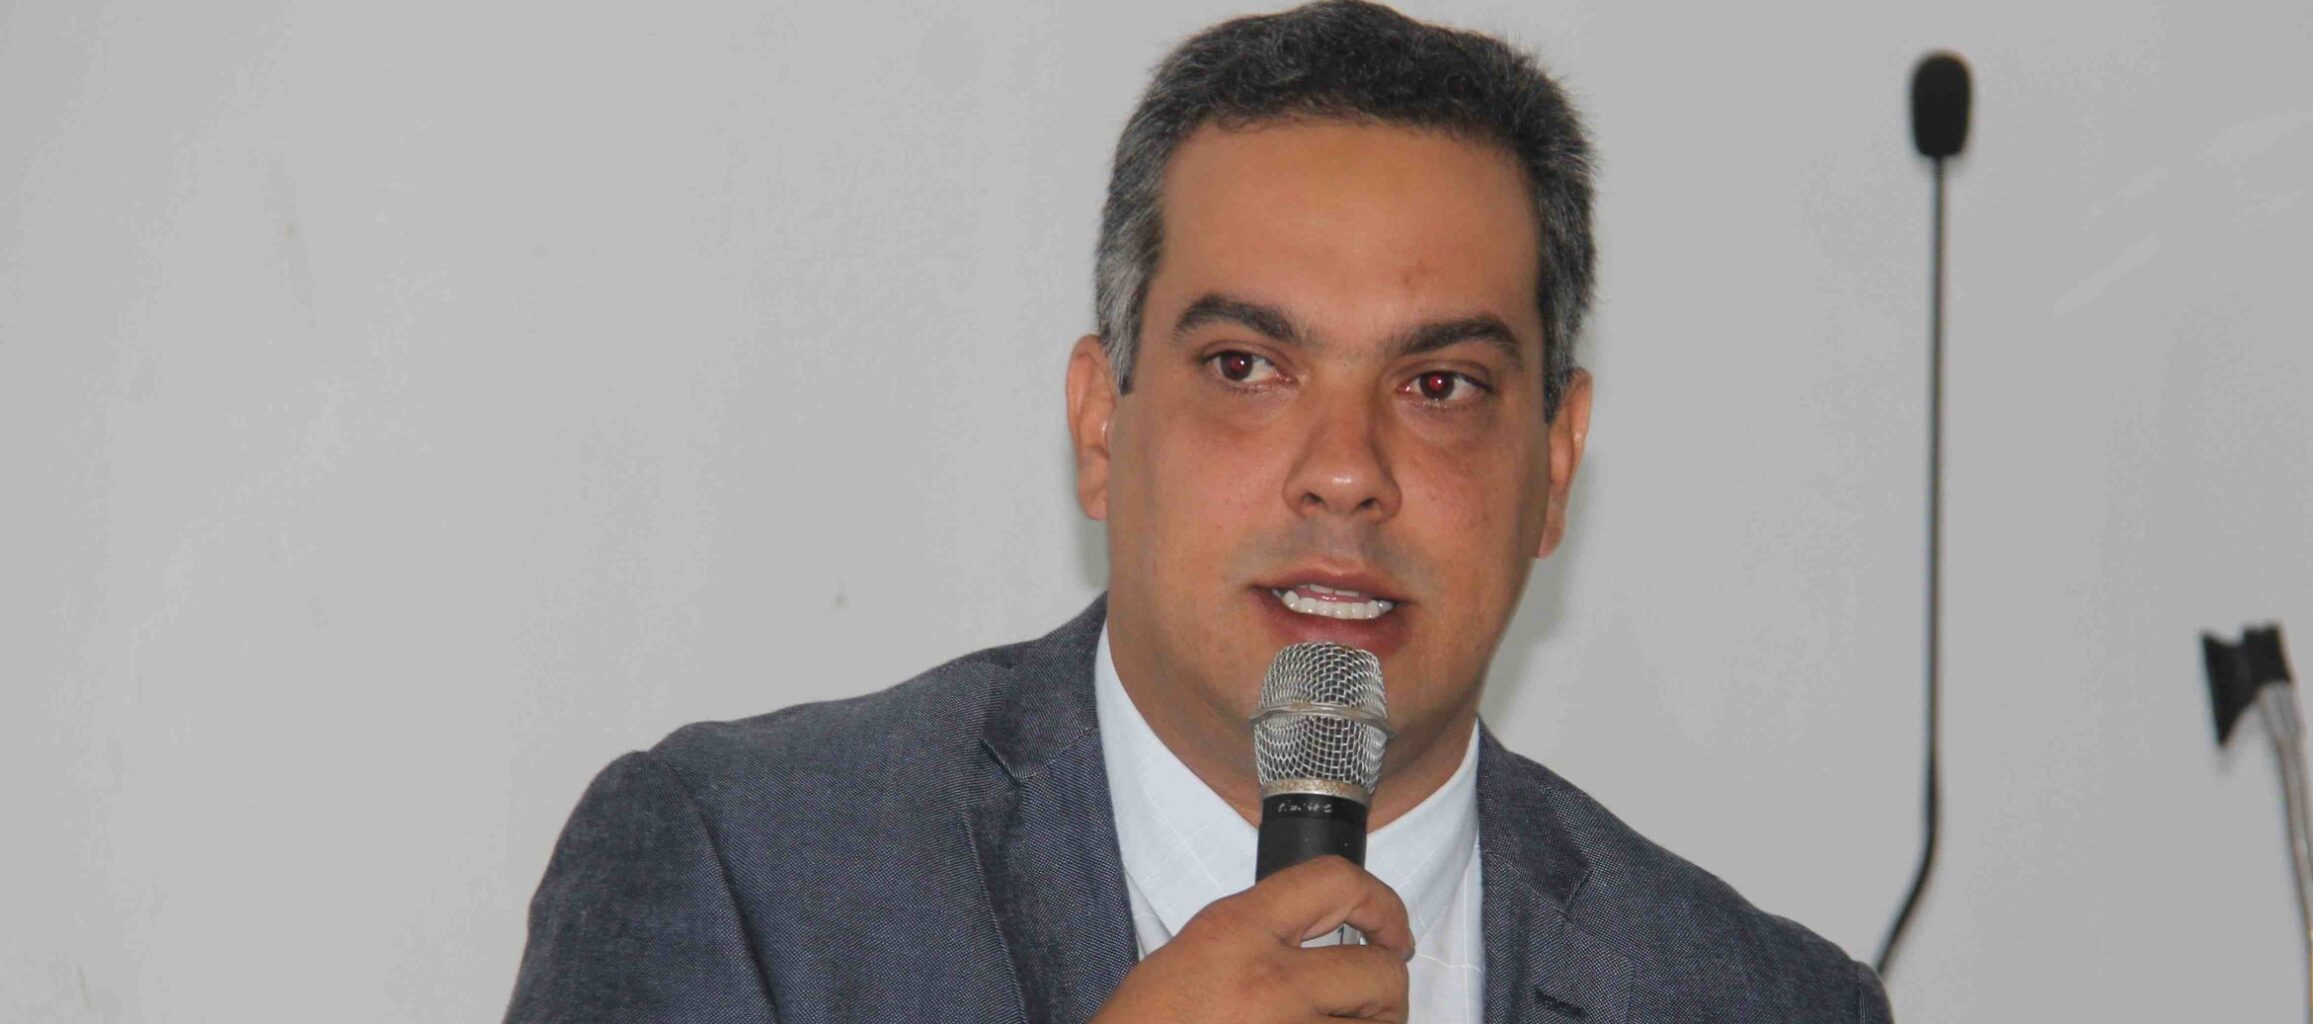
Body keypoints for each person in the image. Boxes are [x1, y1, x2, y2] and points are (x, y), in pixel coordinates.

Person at [504, 2, 1891, 1021]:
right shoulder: (748, 875)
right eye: (1246, 368)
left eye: (1441, 386)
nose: (1344, 470)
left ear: (1557, 463)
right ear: (1101, 426)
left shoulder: (1762, 1003)